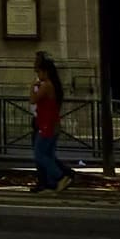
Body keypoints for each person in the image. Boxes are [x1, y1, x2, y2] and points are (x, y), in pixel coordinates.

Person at [28, 51, 74, 194]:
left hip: (46, 124)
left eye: (40, 72)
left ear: (45, 71)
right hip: (50, 123)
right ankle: (53, 182)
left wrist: (32, 87)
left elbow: (33, 99)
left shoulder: (47, 85)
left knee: (40, 154)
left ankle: (61, 176)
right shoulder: (52, 85)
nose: (38, 74)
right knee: (48, 153)